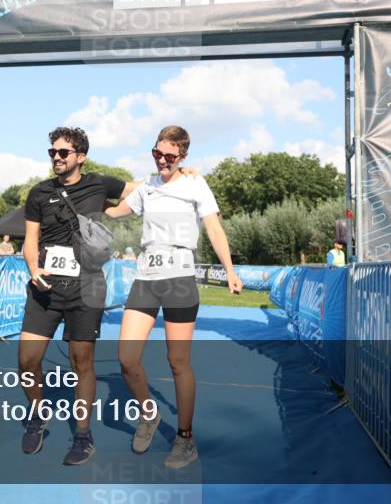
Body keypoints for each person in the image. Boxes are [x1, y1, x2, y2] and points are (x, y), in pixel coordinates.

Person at [105, 125, 243, 469]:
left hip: (180, 277)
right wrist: (81, 198)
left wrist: (230, 269)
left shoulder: (195, 183)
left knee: (178, 362)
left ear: (183, 156)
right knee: (126, 358)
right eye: (157, 153)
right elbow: (112, 211)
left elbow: (213, 227)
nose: (162, 161)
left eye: (169, 156)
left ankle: (185, 438)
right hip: (146, 276)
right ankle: (148, 414)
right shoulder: (147, 187)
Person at [19, 126, 141, 466]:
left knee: (80, 362)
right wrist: (33, 269)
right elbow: (30, 239)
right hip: (45, 286)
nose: (56, 157)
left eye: (63, 153)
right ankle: (37, 414)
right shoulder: (39, 192)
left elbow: (145, 190)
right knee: (27, 361)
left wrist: (176, 174)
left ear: (80, 157)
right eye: (52, 152)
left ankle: (83, 434)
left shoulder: (101, 183)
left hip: (87, 286)